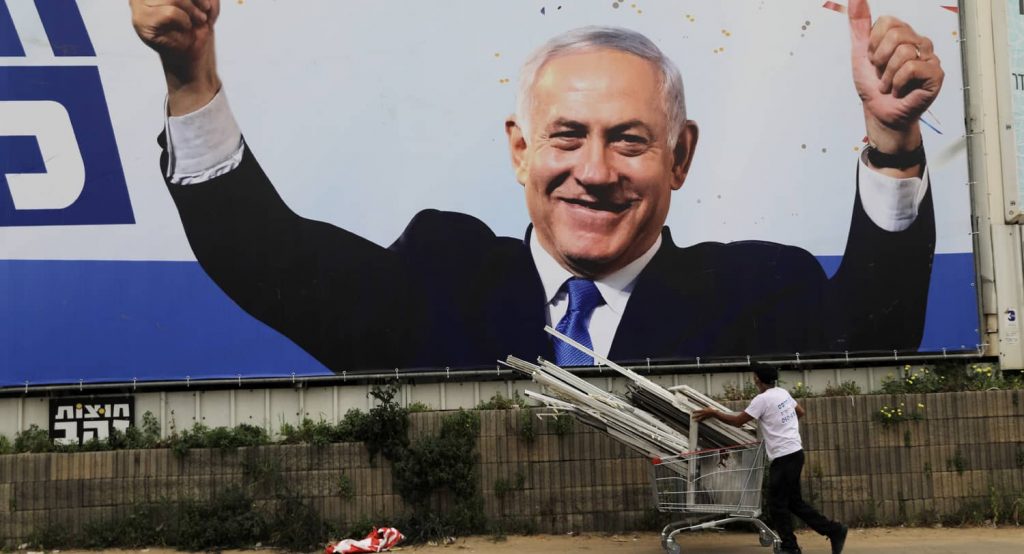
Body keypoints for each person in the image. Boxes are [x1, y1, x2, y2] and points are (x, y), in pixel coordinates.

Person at [129, 0, 943, 372]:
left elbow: (878, 343)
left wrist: (893, 139)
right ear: (520, 150)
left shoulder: (761, 290)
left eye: (629, 141)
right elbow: (265, 257)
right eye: (566, 137)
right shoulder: (436, 278)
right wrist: (190, 74)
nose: (594, 172)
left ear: (681, 157)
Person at [694, 364, 847, 554]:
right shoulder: (782, 393)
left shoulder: (762, 400)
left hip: (783, 457)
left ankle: (792, 546)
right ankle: (833, 530)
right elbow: (800, 412)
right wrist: (783, 427)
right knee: (793, 502)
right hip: (795, 452)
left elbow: (738, 421)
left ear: (757, 379)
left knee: (777, 505)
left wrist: (714, 413)